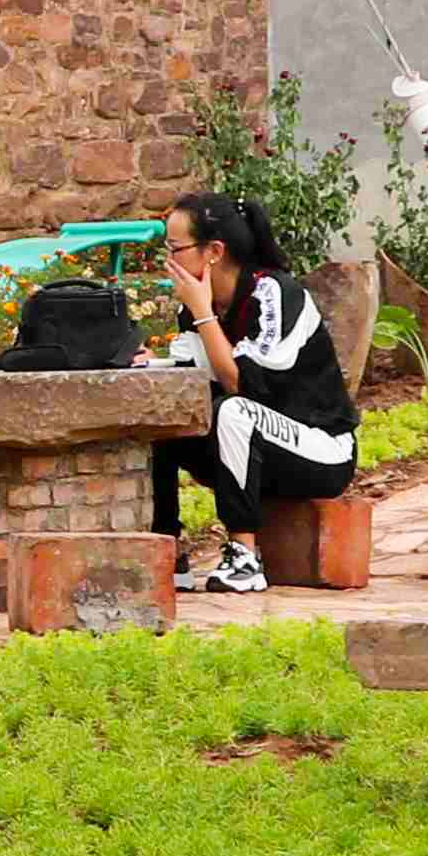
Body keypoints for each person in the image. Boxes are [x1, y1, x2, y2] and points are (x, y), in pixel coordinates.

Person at [150, 185, 355, 591]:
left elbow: (244, 385)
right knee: (157, 419)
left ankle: (245, 558)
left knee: (233, 411)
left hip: (319, 449)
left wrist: (203, 313)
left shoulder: (275, 295)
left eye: (175, 249)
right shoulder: (196, 307)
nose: (168, 261)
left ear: (213, 252)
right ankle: (167, 551)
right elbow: (198, 376)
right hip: (249, 449)